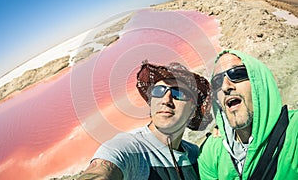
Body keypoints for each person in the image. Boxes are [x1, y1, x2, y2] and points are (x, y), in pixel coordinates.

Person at [78, 60, 211, 180]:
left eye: (178, 93)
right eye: (159, 91)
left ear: (193, 111)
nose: (166, 100)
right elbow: (101, 171)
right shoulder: (129, 148)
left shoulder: (195, 154)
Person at [198, 49, 298, 179]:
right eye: (217, 81)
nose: (225, 86)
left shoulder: (294, 131)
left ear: (259, 83)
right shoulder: (210, 151)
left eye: (237, 73)